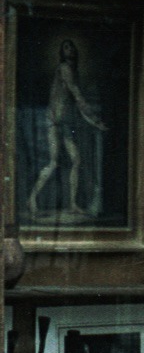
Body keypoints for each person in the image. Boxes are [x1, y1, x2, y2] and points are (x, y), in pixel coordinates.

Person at [26, 38, 108, 219]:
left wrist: (94, 122)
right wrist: (94, 120)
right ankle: (32, 199)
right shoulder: (64, 68)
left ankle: (72, 204)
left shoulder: (73, 70)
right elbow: (77, 96)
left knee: (76, 160)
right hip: (55, 122)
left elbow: (77, 102)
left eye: (72, 46)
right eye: (66, 47)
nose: (70, 49)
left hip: (64, 123)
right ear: (61, 52)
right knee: (54, 163)